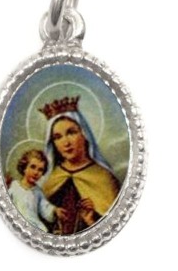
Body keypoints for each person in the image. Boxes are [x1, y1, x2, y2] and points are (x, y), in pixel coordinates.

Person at [40, 97, 121, 235]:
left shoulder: (104, 178)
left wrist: (91, 222)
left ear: (84, 134)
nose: (66, 143)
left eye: (71, 132)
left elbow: (115, 228)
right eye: (58, 137)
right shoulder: (51, 179)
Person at [8, 149, 67, 232]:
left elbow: (44, 207)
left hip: (35, 225)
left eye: (40, 170)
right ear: (24, 168)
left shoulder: (38, 192)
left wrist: (54, 210)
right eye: (33, 167)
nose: (36, 172)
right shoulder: (14, 186)